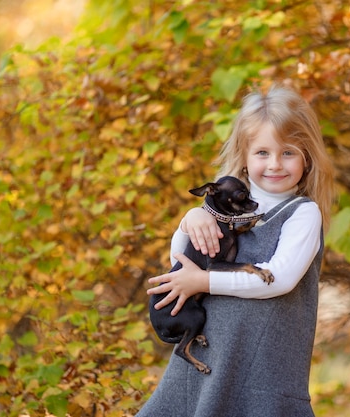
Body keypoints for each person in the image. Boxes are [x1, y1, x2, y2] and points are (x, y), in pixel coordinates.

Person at [137, 85, 334, 417]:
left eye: (288, 153)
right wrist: (189, 221)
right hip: (209, 363)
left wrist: (204, 283)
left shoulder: (302, 213)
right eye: (262, 153)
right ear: (243, 155)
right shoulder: (221, 206)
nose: (275, 164)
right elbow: (180, 262)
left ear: (307, 157)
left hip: (264, 374)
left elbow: (280, 279)